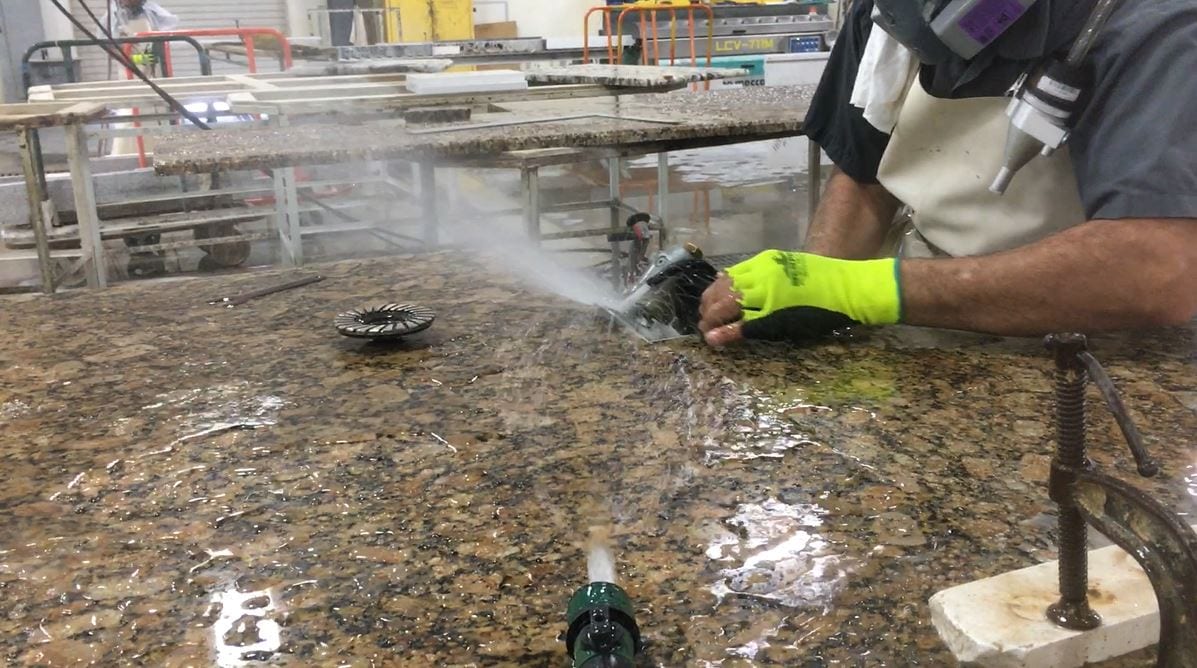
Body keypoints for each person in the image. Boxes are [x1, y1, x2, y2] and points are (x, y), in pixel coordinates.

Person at [698, 0, 1197, 346]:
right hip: (924, 321)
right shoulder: (889, 16)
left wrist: (865, 291)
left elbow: (1157, 268)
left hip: (1094, 359)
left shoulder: (1157, 26)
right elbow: (863, 174)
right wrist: (810, 284)